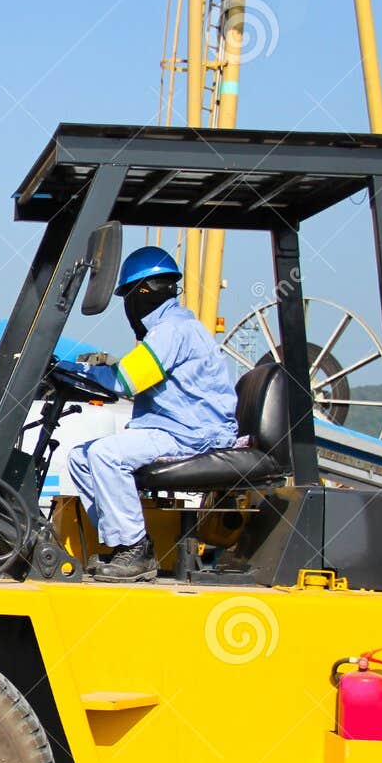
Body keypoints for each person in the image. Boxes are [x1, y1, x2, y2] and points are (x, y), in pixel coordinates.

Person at [67, 246, 237, 582]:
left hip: (191, 434)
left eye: (128, 296)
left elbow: (126, 381)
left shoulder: (172, 330)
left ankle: (136, 550)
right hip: (174, 429)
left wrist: (69, 371)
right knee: (80, 458)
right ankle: (123, 544)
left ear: (142, 291)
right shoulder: (167, 330)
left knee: (106, 455)